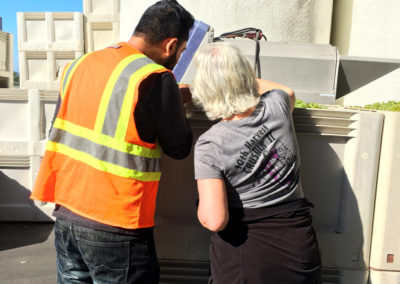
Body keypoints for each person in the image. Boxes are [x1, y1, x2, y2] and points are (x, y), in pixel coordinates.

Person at [30, 1, 194, 283]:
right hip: (117, 227)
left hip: (68, 216)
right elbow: (179, 147)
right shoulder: (155, 78)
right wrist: (173, 103)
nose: (177, 59)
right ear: (170, 46)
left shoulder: (78, 66)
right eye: (181, 52)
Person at [192, 42, 322, 284]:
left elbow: (215, 219)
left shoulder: (210, 144)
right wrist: (240, 78)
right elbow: (288, 90)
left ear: (204, 88)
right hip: (299, 247)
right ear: (246, 74)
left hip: (247, 257)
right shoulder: (277, 106)